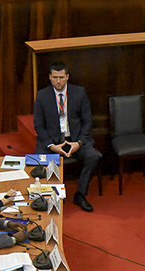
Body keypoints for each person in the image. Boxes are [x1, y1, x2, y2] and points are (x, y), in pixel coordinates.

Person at [33, 61, 102, 212]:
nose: (58, 81)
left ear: (67, 77)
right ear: (50, 77)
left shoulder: (79, 92)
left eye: (61, 77)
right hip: (53, 140)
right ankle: (55, 195)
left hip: (75, 139)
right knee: (39, 158)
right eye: (55, 77)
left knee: (93, 156)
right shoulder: (42, 96)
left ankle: (80, 194)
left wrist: (79, 142)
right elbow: (38, 125)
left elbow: (88, 119)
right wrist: (51, 145)